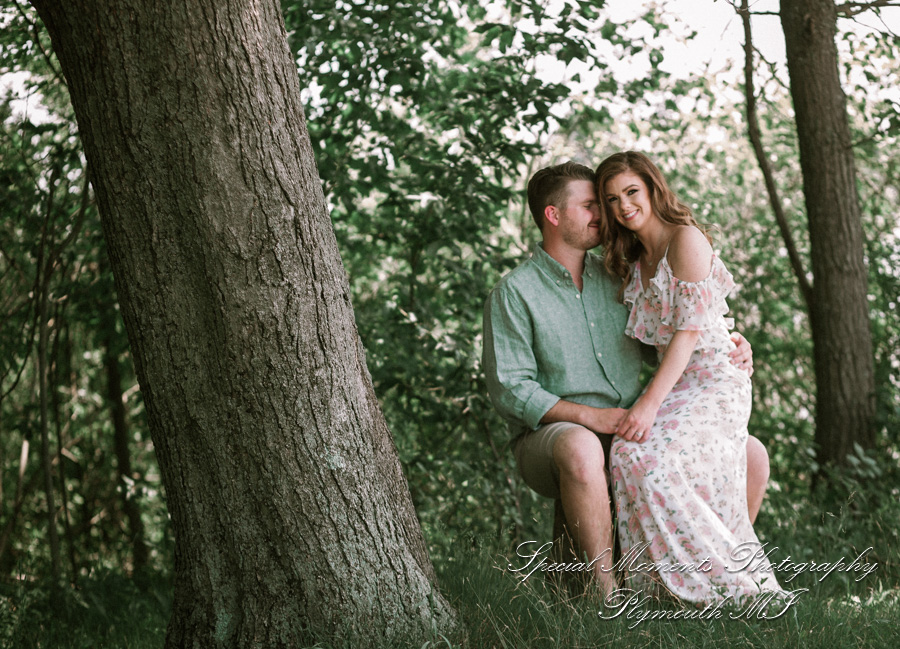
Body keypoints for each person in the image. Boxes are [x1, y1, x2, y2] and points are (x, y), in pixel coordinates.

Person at [482, 161, 770, 596]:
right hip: (554, 434)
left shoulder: (617, 273)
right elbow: (511, 389)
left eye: (606, 202)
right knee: (582, 445)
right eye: (592, 205)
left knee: (750, 451)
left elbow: (669, 337)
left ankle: (717, 571)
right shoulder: (515, 292)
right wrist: (591, 417)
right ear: (554, 216)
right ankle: (605, 595)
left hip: (629, 420)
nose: (605, 213)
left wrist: (728, 340)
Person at [596, 151, 781, 603]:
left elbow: (689, 332)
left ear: (653, 188)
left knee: (649, 462)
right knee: (627, 454)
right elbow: (658, 339)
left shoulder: (686, 239)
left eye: (632, 192)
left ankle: (728, 587)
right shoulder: (635, 260)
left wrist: (648, 404)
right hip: (678, 382)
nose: (624, 206)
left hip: (717, 379)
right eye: (613, 199)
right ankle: (660, 589)